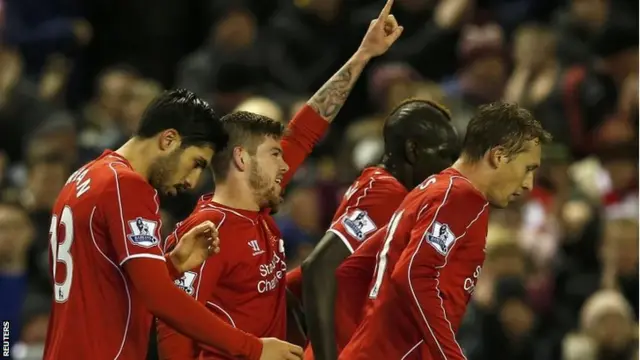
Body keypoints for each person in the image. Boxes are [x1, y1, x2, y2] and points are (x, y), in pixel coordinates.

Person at [154, 2, 404, 359]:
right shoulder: (208, 231)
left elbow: (307, 127)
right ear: (242, 159)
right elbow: (173, 326)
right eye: (274, 155)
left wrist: (363, 55)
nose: (286, 166)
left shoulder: (256, 210)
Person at [44, 89, 299, 360]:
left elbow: (103, 280)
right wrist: (254, 348)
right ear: (168, 139)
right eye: (196, 163)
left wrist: (171, 265)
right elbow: (160, 298)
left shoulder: (83, 176)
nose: (191, 181)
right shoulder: (126, 186)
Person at [339, 102, 552, 360]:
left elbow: (353, 268)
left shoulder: (430, 190)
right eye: (528, 168)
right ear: (498, 156)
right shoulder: (461, 197)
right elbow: (413, 274)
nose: (529, 184)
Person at [298, 98, 459, 360]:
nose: (451, 168)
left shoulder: (378, 184)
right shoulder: (386, 193)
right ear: (413, 150)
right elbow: (317, 268)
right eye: (444, 154)